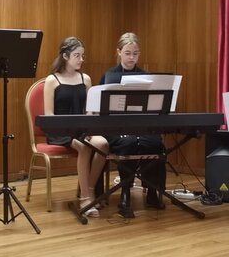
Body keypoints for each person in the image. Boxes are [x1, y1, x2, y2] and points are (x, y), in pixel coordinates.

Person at [99, 32, 166, 218]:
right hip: (116, 127)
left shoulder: (146, 76)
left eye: (135, 54)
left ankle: (152, 191)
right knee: (128, 142)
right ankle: (125, 192)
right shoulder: (109, 76)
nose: (131, 57)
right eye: (127, 53)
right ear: (119, 52)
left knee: (154, 142)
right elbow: (100, 107)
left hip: (140, 125)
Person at [44, 36, 108, 218]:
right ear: (65, 56)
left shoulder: (85, 79)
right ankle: (86, 199)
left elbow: (90, 110)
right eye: (77, 55)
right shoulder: (52, 80)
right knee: (84, 147)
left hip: (82, 129)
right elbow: (49, 115)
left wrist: (89, 125)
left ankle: (89, 189)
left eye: (82, 56)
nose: (81, 59)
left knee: (103, 145)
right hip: (60, 130)